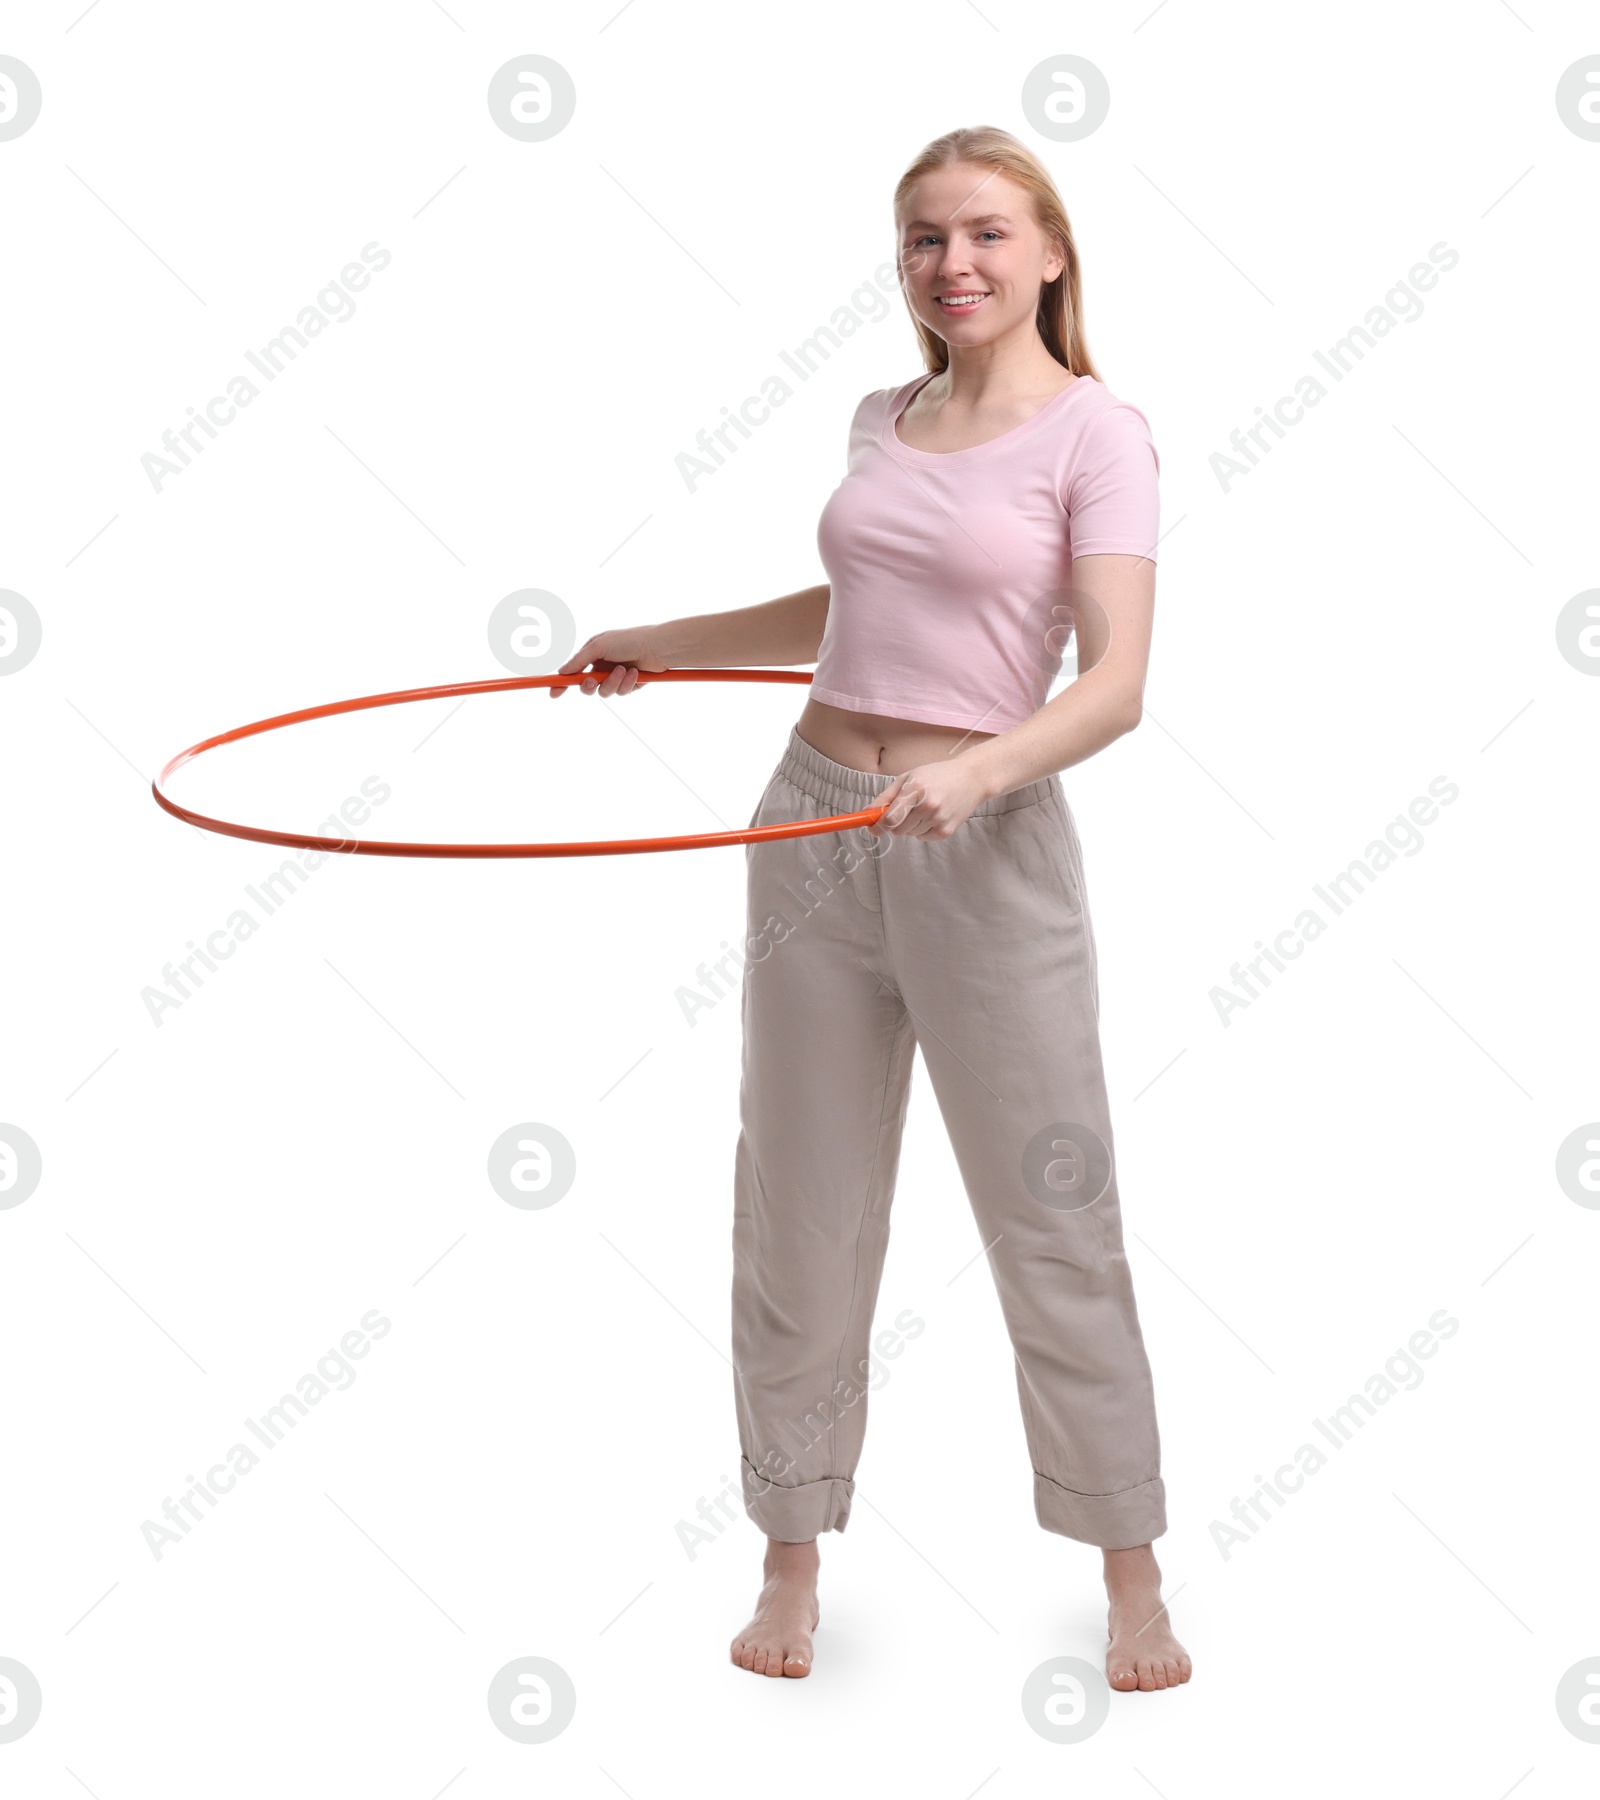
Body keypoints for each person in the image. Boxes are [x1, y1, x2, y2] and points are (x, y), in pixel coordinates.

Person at [552, 124, 1191, 1696]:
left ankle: (1131, 1572)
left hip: (986, 847)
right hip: (813, 826)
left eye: (983, 233)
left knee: (1053, 1208)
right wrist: (667, 637)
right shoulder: (881, 414)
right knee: (800, 1206)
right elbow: (858, 606)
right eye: (923, 239)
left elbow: (1115, 682)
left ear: (1049, 250)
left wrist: (980, 774)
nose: (952, 263)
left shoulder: (1099, 434)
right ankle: (790, 1551)